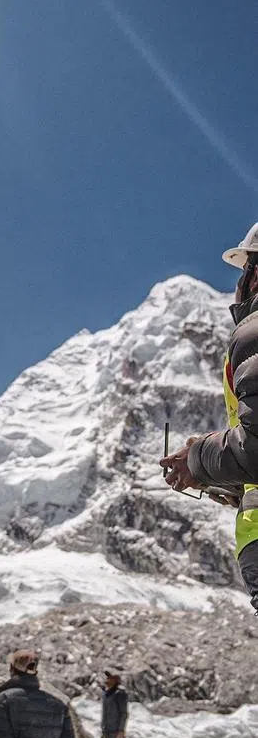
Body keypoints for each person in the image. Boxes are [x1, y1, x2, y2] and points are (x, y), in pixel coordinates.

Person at [160, 223, 258, 610]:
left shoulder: (253, 333)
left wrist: (198, 459)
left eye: (245, 269)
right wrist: (230, 482)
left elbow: (257, 446)